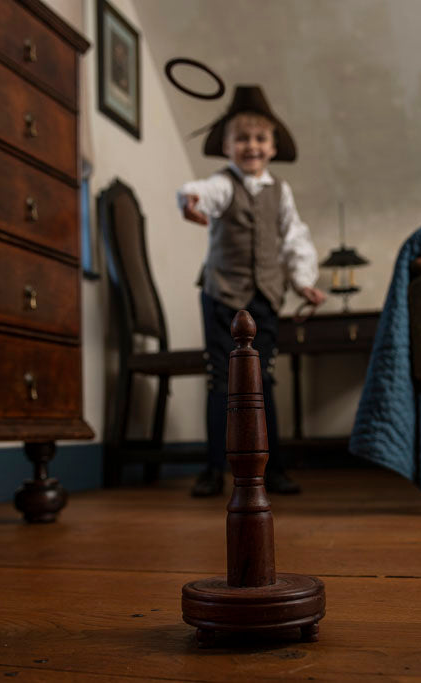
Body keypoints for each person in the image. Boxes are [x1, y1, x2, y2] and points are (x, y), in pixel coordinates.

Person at [177, 85, 326, 497]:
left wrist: (303, 282)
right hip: (222, 296)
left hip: (264, 299)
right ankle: (212, 471)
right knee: (221, 383)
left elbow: (296, 237)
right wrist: (190, 200)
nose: (251, 146)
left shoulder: (282, 192)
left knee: (264, 384)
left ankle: (272, 470)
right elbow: (204, 195)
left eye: (260, 138)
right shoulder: (222, 185)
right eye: (241, 138)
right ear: (227, 145)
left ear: (272, 147)